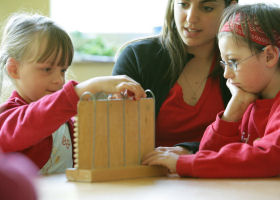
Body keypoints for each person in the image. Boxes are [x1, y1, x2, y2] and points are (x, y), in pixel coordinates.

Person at [143, 3, 280, 178]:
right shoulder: (251, 102)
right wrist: (233, 111)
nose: (226, 74)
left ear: (269, 56)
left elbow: (265, 159)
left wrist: (182, 163)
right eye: (224, 64)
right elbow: (208, 151)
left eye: (233, 62)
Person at [0, 13, 146, 175]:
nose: (59, 80)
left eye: (63, 70)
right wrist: (88, 87)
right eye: (47, 69)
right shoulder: (7, 119)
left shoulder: (67, 121)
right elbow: (35, 119)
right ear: (14, 69)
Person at [112, 0, 238, 153]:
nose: (191, 18)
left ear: (231, 7)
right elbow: (118, 138)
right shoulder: (137, 57)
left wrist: (188, 151)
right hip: (148, 173)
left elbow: (251, 140)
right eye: (183, 5)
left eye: (207, 8)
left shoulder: (245, 62)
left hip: (220, 173)